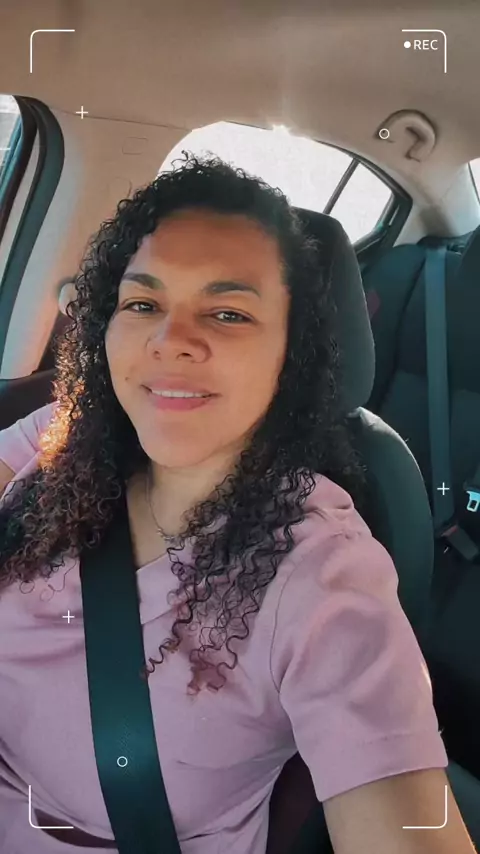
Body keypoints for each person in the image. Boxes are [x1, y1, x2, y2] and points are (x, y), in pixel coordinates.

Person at [0, 152, 475, 854]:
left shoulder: (323, 574)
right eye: (143, 304)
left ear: (291, 355)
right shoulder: (66, 433)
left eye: (228, 312)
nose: (170, 342)